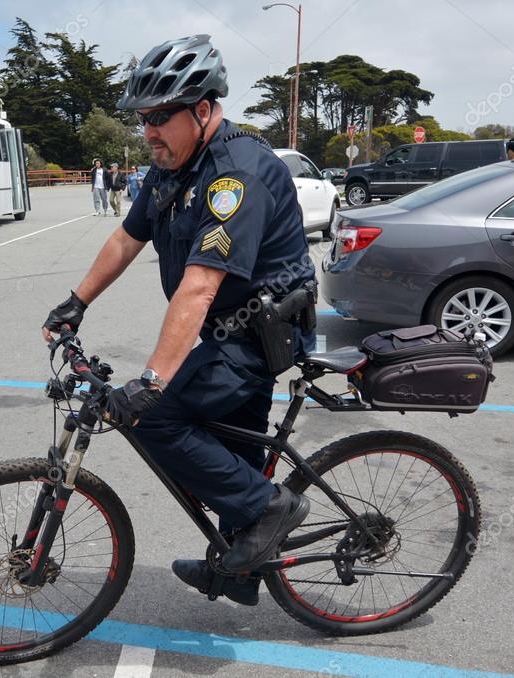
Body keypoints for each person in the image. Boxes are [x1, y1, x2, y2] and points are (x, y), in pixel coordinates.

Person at [41, 34, 317, 607]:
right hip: (224, 330)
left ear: (204, 110)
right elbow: (126, 236)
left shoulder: (234, 175)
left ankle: (272, 508)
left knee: (157, 420)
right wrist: (77, 300)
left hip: (256, 334)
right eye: (143, 119)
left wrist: (151, 381)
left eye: (160, 118)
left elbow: (200, 285)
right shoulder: (171, 166)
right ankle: (239, 569)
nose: (148, 132)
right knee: (229, 454)